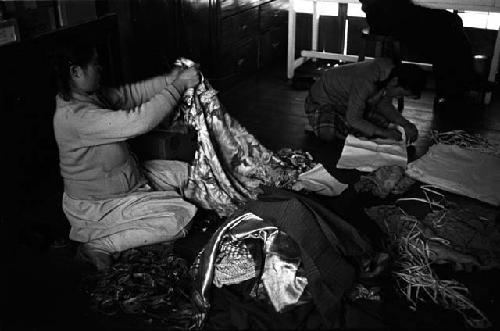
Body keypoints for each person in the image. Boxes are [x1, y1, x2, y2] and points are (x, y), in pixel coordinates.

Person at [52, 39, 201, 270]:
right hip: (100, 204)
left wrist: (170, 79)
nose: (100, 69)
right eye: (94, 64)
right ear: (76, 72)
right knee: (179, 219)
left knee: (190, 173)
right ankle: (98, 246)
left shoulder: (90, 95)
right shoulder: (74, 117)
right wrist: (178, 86)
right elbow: (139, 121)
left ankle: (150, 203)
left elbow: (130, 94)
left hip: (132, 177)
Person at [359, 0, 475, 108]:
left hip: (396, 11)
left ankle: (457, 82)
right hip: (386, 16)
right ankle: (458, 82)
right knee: (446, 28)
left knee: (451, 23)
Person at [305, 58, 426, 143]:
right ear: (395, 81)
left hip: (346, 104)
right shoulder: (366, 80)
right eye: (400, 94)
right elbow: (353, 118)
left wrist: (405, 124)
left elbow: (384, 104)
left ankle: (347, 126)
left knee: (382, 122)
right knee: (328, 134)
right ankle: (322, 120)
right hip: (322, 103)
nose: (399, 98)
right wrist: (383, 133)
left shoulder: (389, 75)